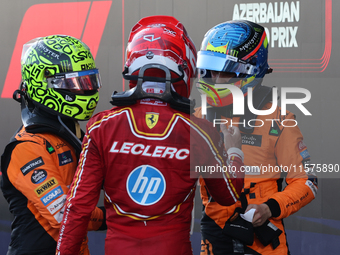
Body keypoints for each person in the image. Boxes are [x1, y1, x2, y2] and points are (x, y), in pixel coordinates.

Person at [56, 15, 245, 255]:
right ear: (183, 68)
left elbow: (78, 208)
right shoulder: (200, 131)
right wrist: (235, 151)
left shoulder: (101, 126)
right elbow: (228, 195)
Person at [194, 20, 318, 255]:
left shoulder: (279, 119)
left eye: (226, 71)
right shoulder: (196, 119)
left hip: (264, 244)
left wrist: (270, 208)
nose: (216, 79)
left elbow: (307, 182)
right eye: (210, 70)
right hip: (214, 240)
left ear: (250, 70)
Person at [0, 35, 106, 255]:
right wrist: (112, 216)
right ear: (44, 84)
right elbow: (64, 215)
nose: (85, 91)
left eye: (88, 82)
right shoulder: (26, 147)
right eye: (75, 84)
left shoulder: (70, 133)